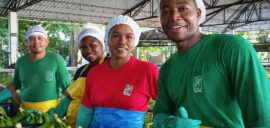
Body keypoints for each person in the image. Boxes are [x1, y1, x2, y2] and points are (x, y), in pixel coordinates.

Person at [153, 0, 270, 127]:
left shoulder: (231, 48)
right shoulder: (167, 68)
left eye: (183, 8)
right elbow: (160, 111)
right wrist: (167, 121)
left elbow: (262, 112)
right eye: (166, 11)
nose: (174, 16)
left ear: (197, 14)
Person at [76, 15, 159, 128]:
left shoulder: (148, 71)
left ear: (135, 41)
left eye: (129, 37)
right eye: (115, 36)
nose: (122, 41)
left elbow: (167, 106)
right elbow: (86, 112)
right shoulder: (94, 73)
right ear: (107, 40)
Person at [46, 27, 110, 127]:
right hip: (74, 122)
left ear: (102, 45)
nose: (88, 50)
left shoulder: (110, 66)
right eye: (84, 47)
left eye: (93, 46)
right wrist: (52, 115)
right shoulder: (81, 71)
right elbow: (71, 97)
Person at [6, 25, 71, 112]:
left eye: (40, 38)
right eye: (32, 38)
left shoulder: (56, 59)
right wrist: (1, 97)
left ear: (47, 42)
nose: (36, 42)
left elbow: (67, 88)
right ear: (27, 42)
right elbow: (15, 84)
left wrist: (65, 108)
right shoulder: (21, 62)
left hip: (51, 112)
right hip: (26, 112)